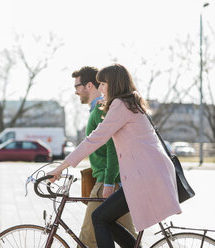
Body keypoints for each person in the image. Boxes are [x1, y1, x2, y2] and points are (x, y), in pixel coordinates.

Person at [49, 64, 182, 248]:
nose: (101, 88)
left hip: (143, 177)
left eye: (103, 83)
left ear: (114, 84)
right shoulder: (130, 102)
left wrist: (60, 168)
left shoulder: (120, 105)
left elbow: (94, 140)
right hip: (146, 174)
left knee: (99, 218)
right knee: (107, 219)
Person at [71, 66, 136, 248]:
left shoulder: (101, 109)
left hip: (108, 181)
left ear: (89, 85)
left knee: (88, 239)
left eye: (77, 87)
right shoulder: (99, 109)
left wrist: (108, 182)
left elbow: (111, 149)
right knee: (128, 236)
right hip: (113, 180)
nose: (75, 92)